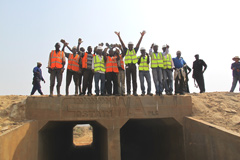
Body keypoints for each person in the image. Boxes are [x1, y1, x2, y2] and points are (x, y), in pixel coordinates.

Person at [115, 30, 146, 96]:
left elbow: (138, 44)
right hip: (128, 66)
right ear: (128, 46)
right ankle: (128, 92)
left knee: (134, 79)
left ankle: (134, 92)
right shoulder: (126, 50)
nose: (130, 46)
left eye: (131, 45)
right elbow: (122, 43)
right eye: (129, 45)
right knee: (128, 80)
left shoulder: (135, 50)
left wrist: (141, 36)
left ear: (133, 46)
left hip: (134, 66)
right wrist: (119, 36)